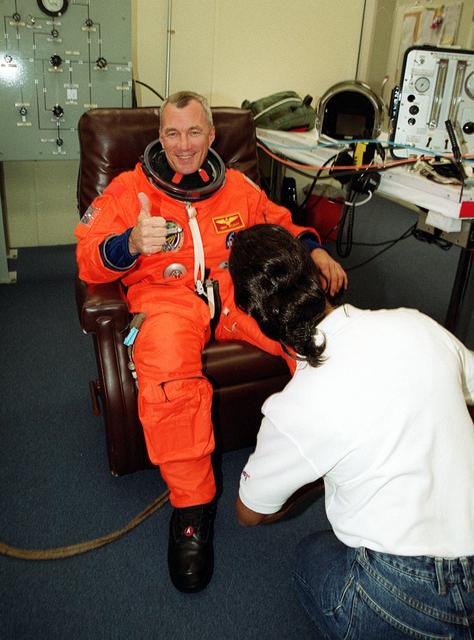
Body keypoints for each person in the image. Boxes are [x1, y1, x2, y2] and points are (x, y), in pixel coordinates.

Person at [74, 91, 347, 593]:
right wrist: (129, 243)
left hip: (237, 291)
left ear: (212, 135)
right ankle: (191, 510)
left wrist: (314, 251)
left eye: (194, 132)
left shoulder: (237, 187)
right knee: (169, 376)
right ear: (159, 137)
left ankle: (346, 451)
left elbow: (279, 223)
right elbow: (88, 259)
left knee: (315, 340)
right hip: (166, 300)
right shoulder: (128, 190)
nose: (183, 145)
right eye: (172, 133)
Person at [229, 223, 474, 639]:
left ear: (259, 318)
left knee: (311, 554)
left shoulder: (293, 409)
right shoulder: (416, 323)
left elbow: (249, 512)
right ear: (317, 276)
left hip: (407, 591)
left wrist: (314, 474)